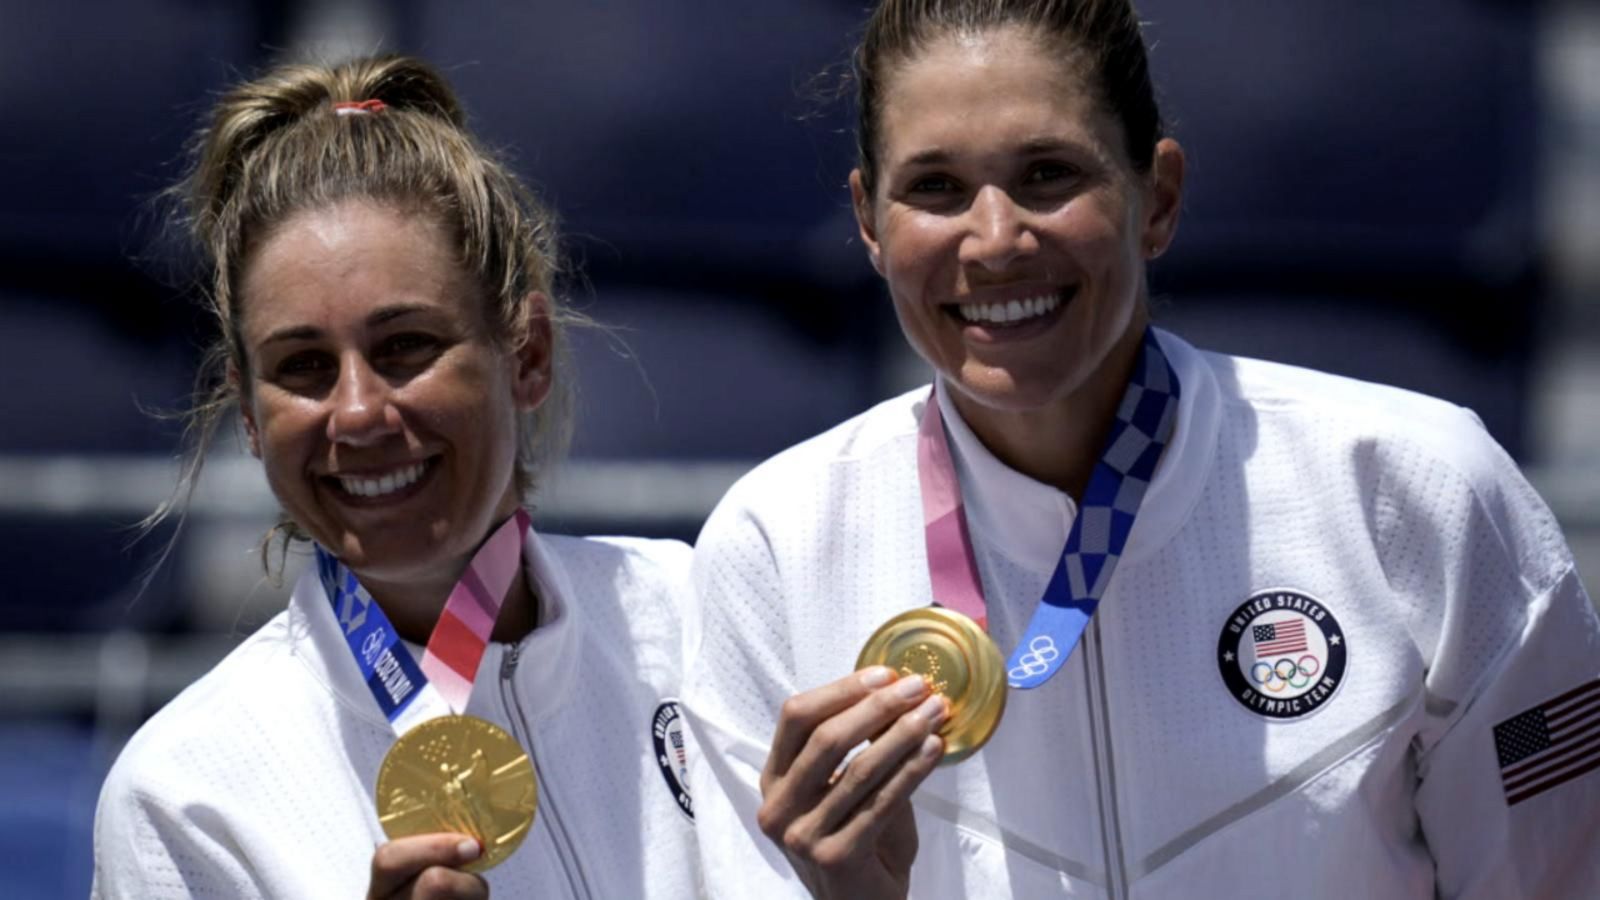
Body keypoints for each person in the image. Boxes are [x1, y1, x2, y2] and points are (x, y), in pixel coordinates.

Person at [681, 1, 1600, 898]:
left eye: (1047, 174)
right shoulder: (776, 549)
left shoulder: (1417, 489)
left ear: (1156, 198)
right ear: (871, 225)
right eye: (935, 188)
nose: (996, 240)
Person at [93, 55, 699, 899]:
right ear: (248, 416)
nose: (356, 412)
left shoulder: (699, 622)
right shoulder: (187, 797)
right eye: (302, 365)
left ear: (526, 354)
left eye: (405, 346)